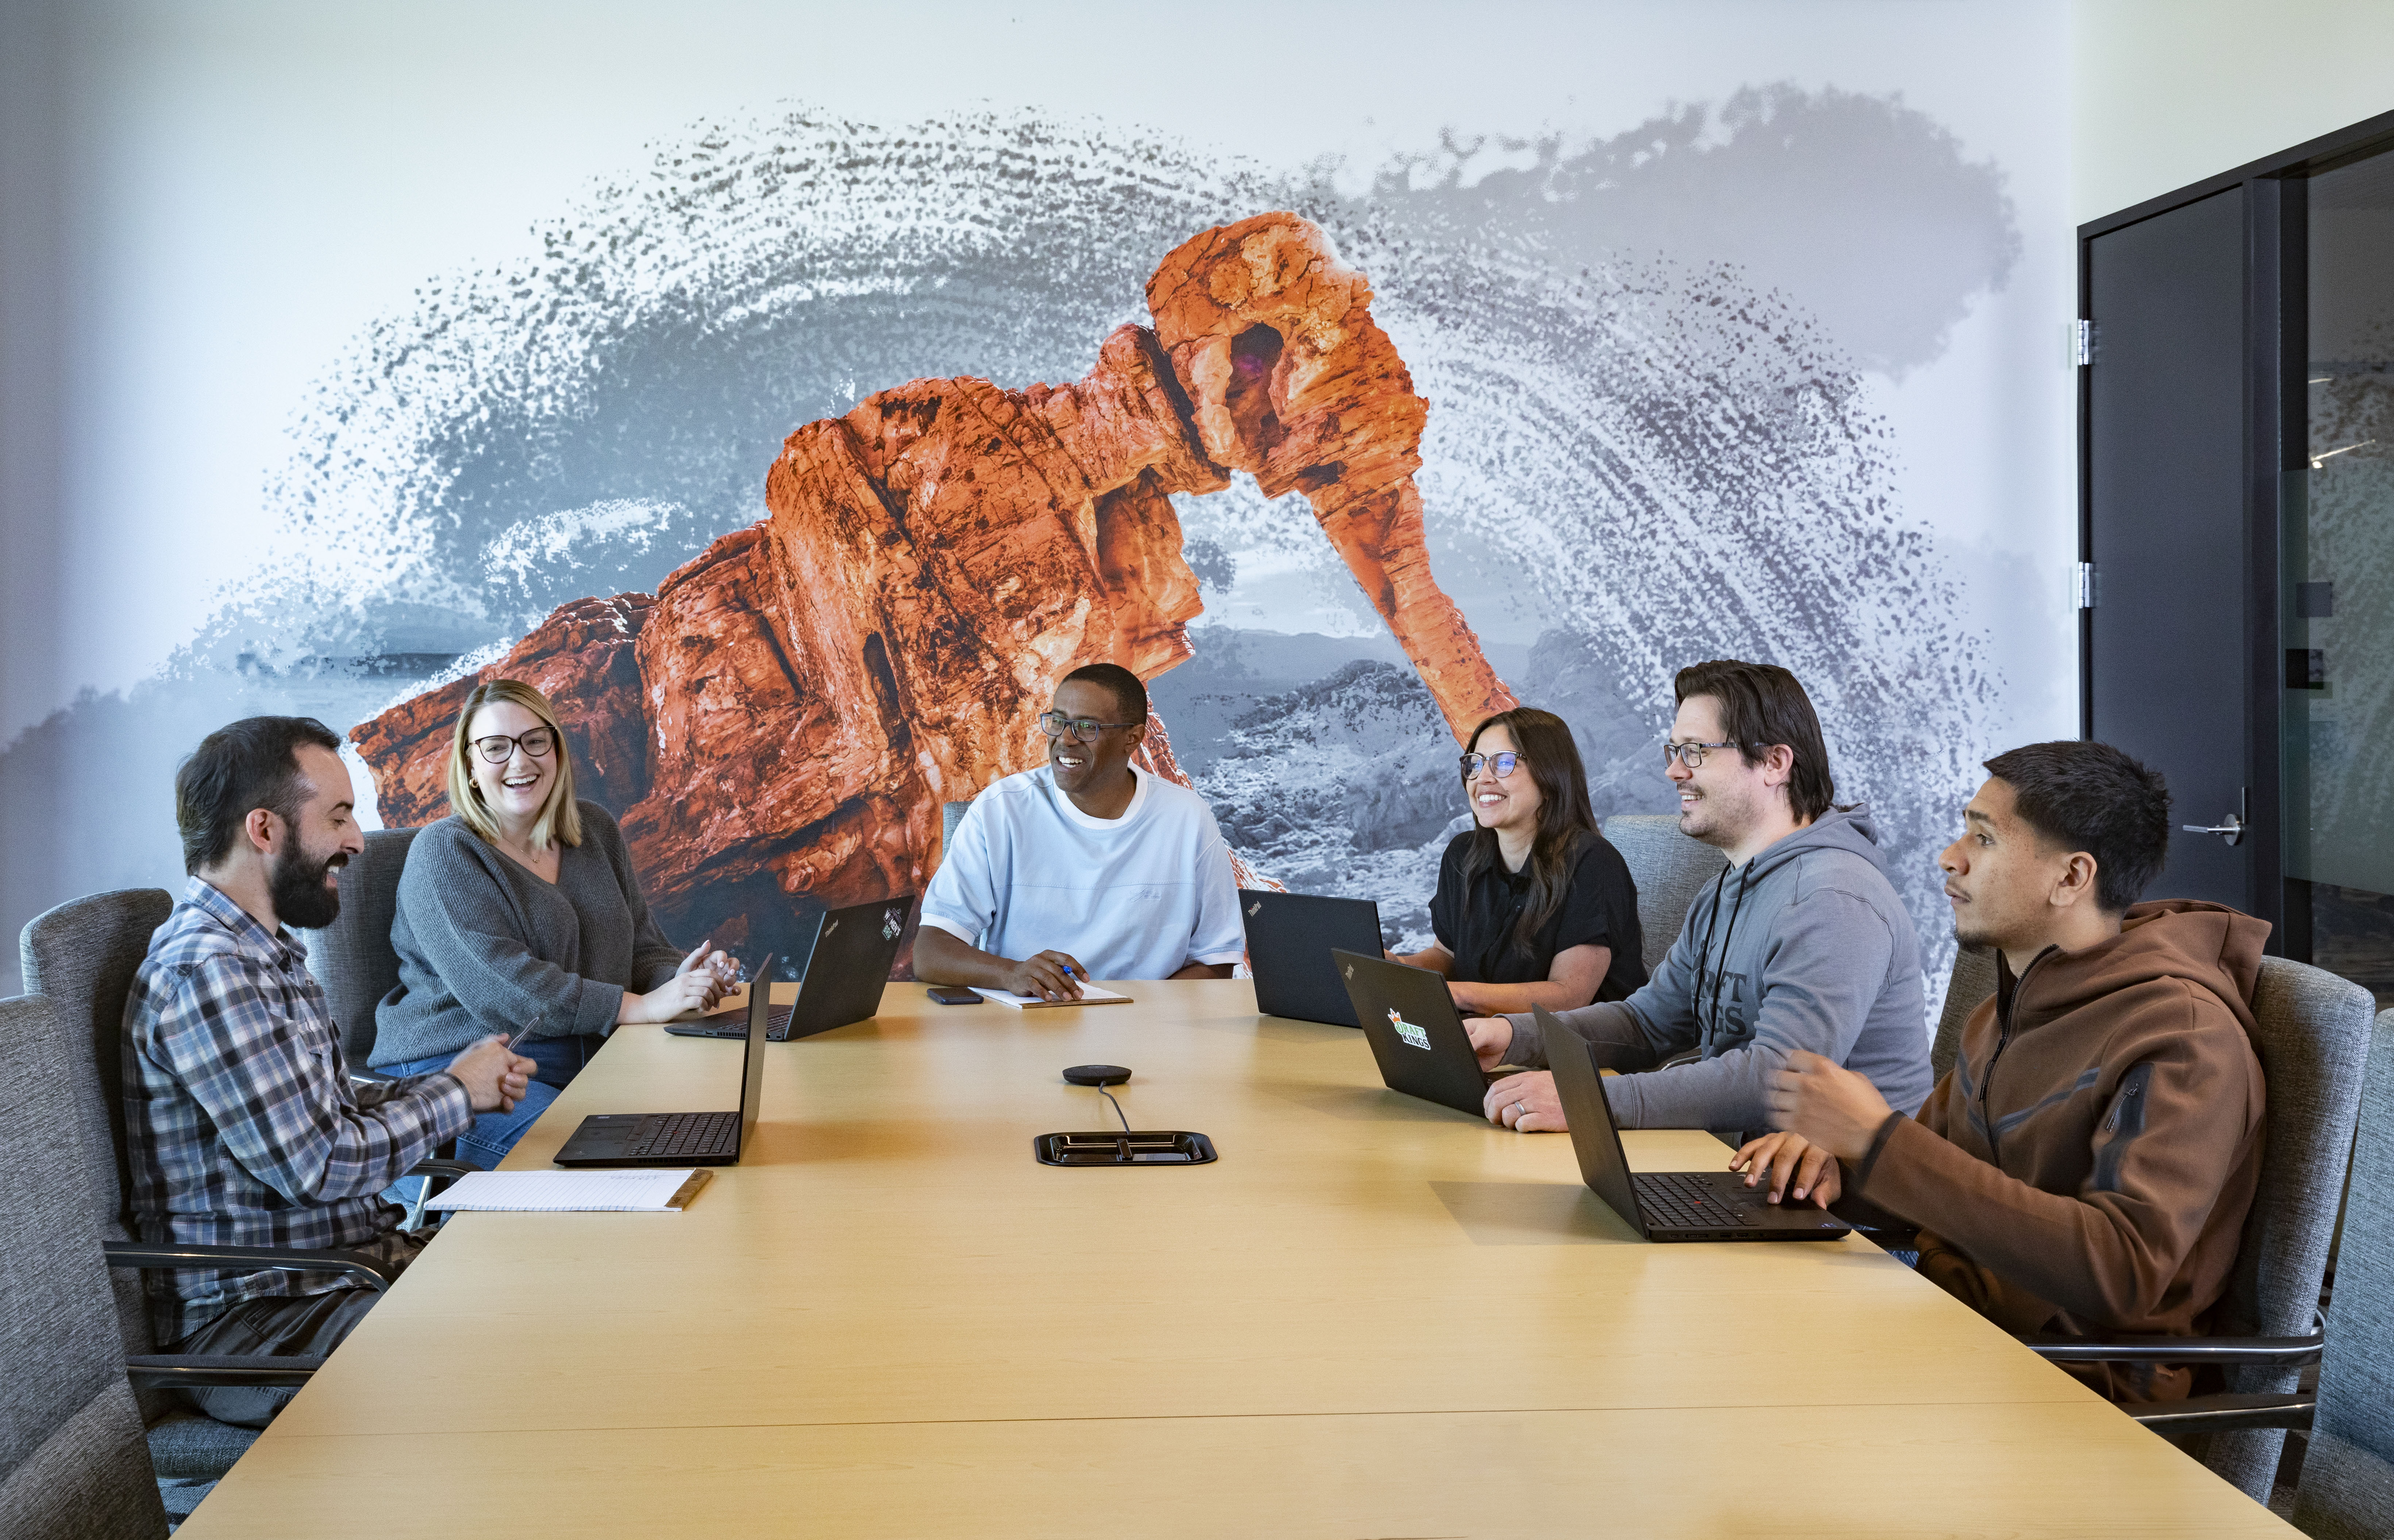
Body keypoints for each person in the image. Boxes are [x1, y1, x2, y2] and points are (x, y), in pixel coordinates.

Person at [1736, 741, 2267, 1401]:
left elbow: (2123, 1269)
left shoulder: (2183, 1037)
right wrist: (1834, 1165)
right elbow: (1930, 1173)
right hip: (1960, 1327)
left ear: (2072, 878)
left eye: (1983, 839)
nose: (1950, 857)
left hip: (2077, 1390)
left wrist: (1878, 1141)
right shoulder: (2003, 1011)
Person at [124, 716, 536, 1426]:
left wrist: (461, 1082)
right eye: (339, 816)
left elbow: (327, 1110)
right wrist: (453, 1095)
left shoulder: (264, 953)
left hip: (340, 1279)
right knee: (531, 1347)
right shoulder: (208, 973)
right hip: (268, 1325)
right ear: (264, 829)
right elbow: (318, 1164)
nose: (356, 840)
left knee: (565, 1281)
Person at [1466, 660, 1929, 1140]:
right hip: (1734, 1161)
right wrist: (1514, 1035)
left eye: (1695, 751)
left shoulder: (1833, 897)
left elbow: (1776, 1083)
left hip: (1839, 1200)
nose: (1673, 770)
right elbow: (1647, 1024)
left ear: (1775, 763)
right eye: (1675, 750)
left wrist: (1588, 1100)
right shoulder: (1726, 888)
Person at [374, 678, 734, 1167]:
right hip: (470, 1071)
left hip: (590, 1060)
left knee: (714, 1122)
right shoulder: (446, 852)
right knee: (610, 1163)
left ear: (557, 752)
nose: (520, 762)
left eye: (535, 741)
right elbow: (509, 991)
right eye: (496, 748)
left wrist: (685, 980)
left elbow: (643, 951)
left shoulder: (595, 831)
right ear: (471, 767)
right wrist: (640, 1008)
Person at [915, 662, 1243, 998]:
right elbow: (931, 951)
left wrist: (1144, 1018)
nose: (1065, 739)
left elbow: (1216, 961)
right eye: (1057, 722)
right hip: (1026, 1032)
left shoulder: (1188, 818)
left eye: (1087, 727)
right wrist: (1011, 973)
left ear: (1132, 738)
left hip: (1148, 1035)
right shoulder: (1001, 810)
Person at [1393, 707, 1645, 1012]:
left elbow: (1569, 996)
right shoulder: (1462, 855)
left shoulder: (1593, 862)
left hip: (1581, 1050)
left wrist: (1458, 995)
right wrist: (1395, 965)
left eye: (1504, 763)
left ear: (1550, 776)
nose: (1482, 778)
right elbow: (1447, 957)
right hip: (1487, 1038)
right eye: (1475, 763)